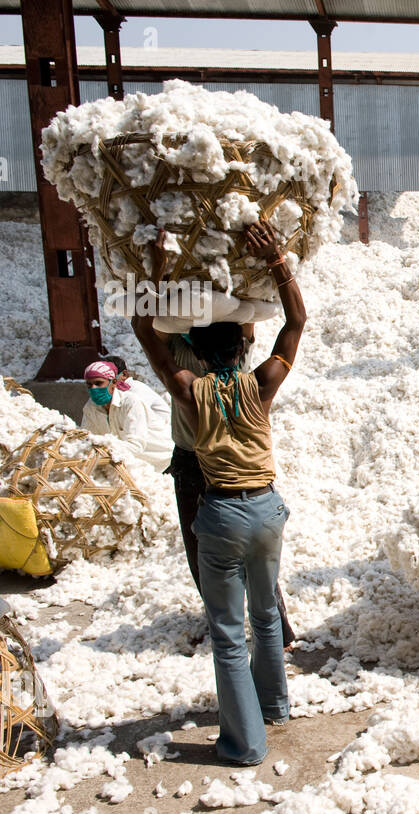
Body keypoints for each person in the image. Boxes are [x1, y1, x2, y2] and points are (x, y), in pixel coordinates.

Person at [132, 219, 303, 766]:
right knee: (267, 615)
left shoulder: (189, 391)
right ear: (244, 346)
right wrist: (277, 259)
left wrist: (156, 267)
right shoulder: (263, 383)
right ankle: (275, 704)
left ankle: (245, 742)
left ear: (199, 355)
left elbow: (145, 329)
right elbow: (296, 320)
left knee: (228, 633)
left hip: (223, 513)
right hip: (268, 511)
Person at [81, 358, 174, 470]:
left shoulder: (130, 401)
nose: (93, 389)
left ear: (114, 383)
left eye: (98, 383)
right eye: (89, 385)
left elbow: (135, 446)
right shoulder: (91, 408)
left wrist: (105, 445)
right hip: (133, 466)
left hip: (164, 461)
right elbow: (85, 439)